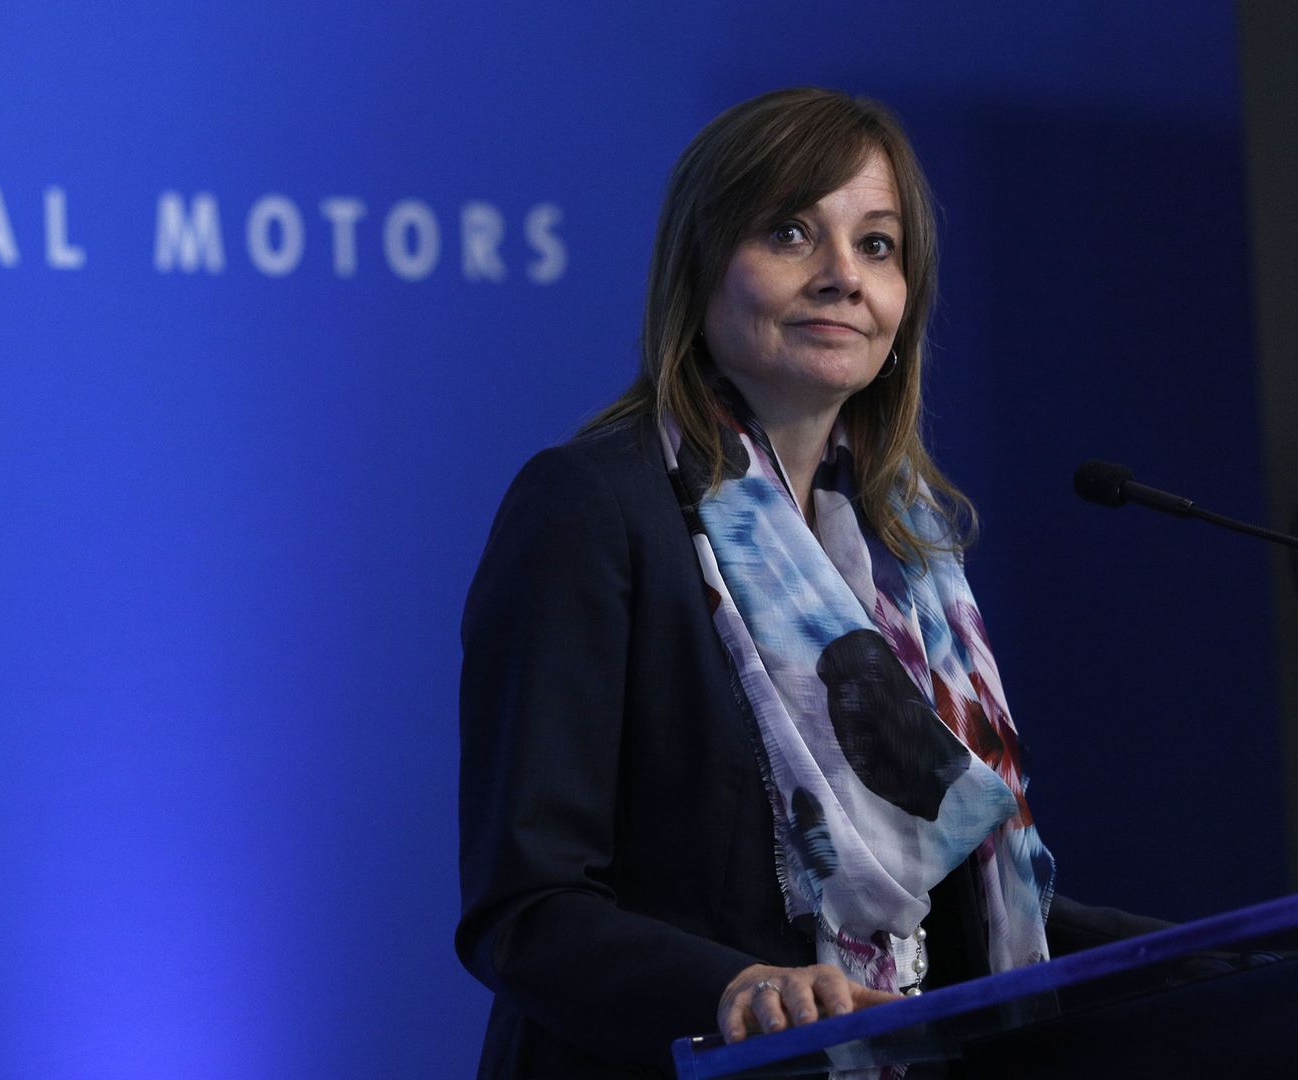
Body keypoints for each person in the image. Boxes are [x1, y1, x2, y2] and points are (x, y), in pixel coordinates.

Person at [456, 88, 1163, 1078]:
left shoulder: (909, 552)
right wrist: (730, 987)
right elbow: (525, 911)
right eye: (791, 233)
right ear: (698, 267)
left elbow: (964, 909)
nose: (843, 276)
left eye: (877, 245)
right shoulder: (591, 510)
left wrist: (1206, 952)